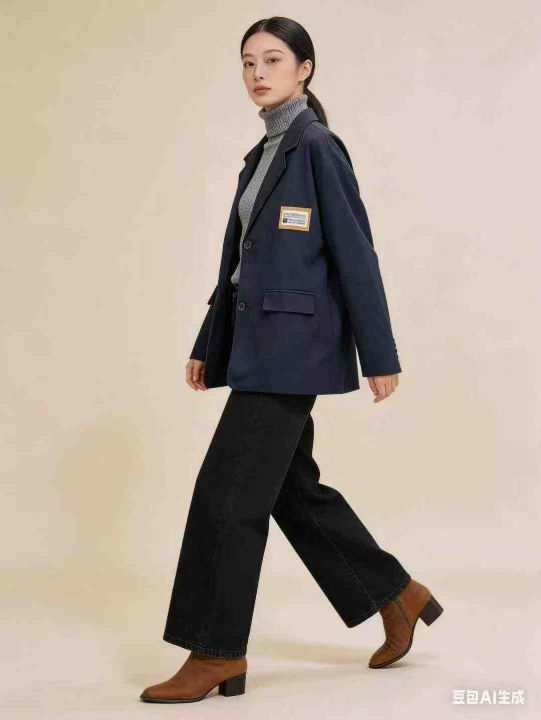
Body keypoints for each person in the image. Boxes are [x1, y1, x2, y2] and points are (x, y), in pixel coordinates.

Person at [140, 16, 443, 704]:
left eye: (272, 60)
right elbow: (241, 266)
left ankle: (216, 652)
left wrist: (379, 353)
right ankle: (396, 594)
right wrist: (208, 343)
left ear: (304, 69)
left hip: (292, 352)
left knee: (226, 494)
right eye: (247, 62)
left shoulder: (315, 147)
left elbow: (355, 255)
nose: (257, 73)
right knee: (288, 489)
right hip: (257, 348)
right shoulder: (264, 153)